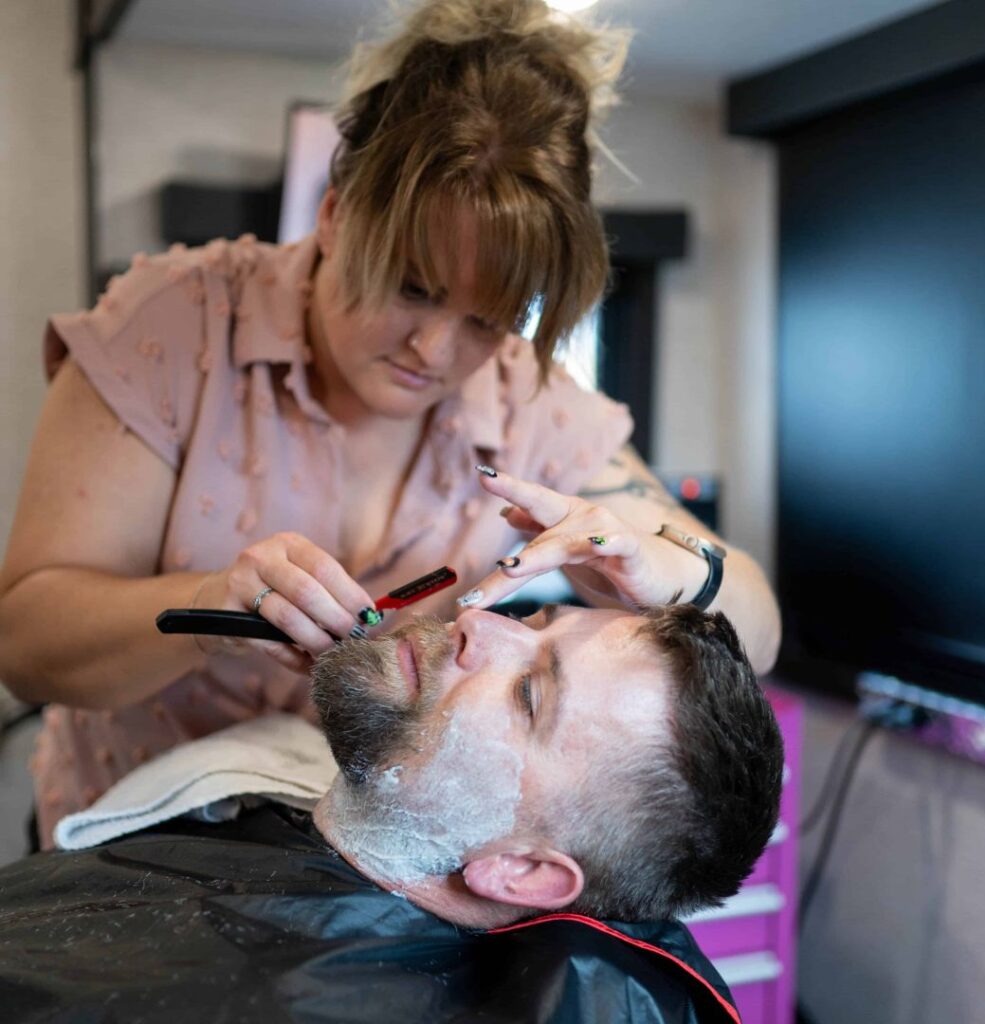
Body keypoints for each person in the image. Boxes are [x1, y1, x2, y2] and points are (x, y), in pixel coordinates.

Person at [0, 0, 780, 849]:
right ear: (335, 214)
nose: (434, 349)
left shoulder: (528, 401)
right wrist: (211, 607)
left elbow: (759, 625)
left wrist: (661, 563)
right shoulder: (172, 330)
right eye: (411, 286)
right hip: (128, 844)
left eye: (490, 318)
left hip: (354, 861)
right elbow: (27, 642)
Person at [0, 601, 783, 1023]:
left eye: (529, 692)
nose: (480, 621)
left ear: (519, 869)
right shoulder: (266, 773)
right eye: (538, 619)